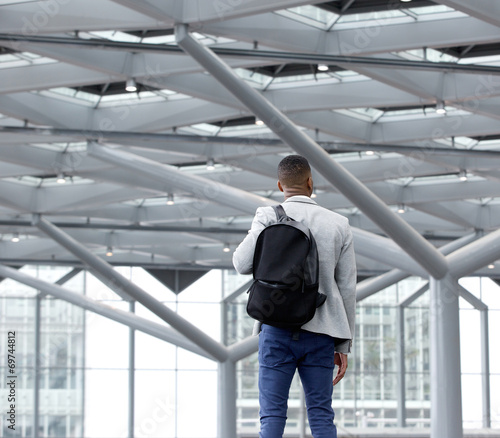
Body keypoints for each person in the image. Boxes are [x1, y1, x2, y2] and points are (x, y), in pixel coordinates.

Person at [233, 154, 356, 438]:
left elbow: (241, 264)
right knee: (321, 415)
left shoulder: (267, 215)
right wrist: (344, 343)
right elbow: (347, 287)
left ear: (280, 185)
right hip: (322, 333)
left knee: (273, 416)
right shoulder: (339, 223)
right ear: (311, 183)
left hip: (276, 328)